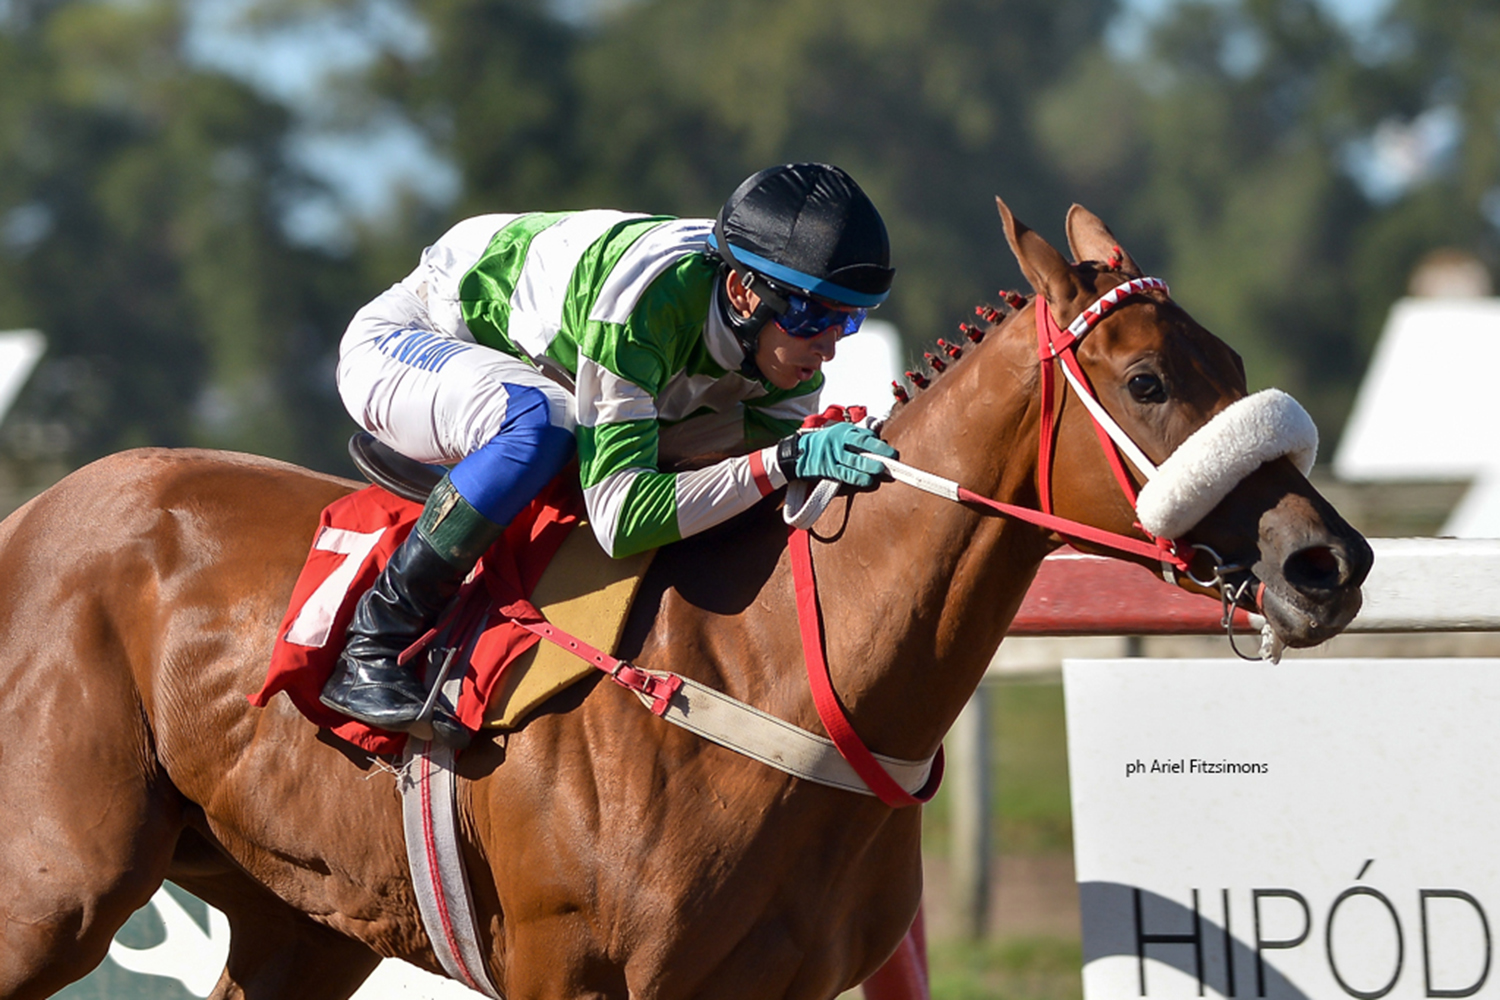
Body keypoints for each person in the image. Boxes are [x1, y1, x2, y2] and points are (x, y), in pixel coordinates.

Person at [320, 162, 898, 744]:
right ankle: (375, 643)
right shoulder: (645, 301)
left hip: (536, 365)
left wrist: (791, 462)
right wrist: (782, 461)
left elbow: (745, 483)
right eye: (811, 316)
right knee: (546, 421)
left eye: (848, 320)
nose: (828, 347)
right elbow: (620, 521)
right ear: (742, 292)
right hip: (410, 338)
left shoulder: (785, 362)